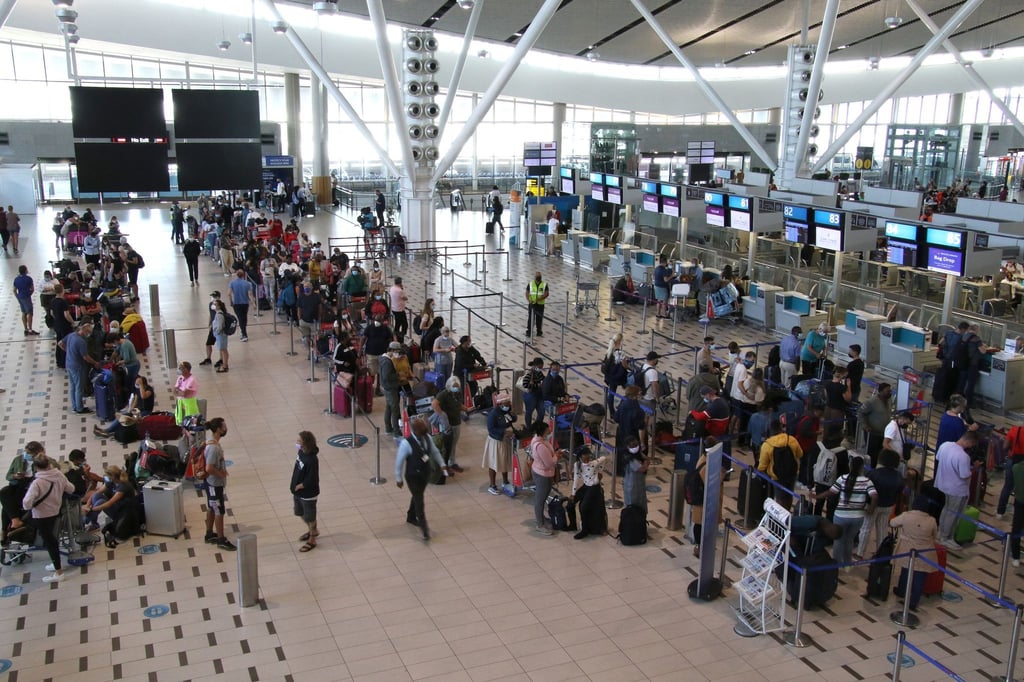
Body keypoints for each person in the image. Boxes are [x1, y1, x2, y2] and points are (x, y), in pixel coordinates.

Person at [22, 447, 74, 583]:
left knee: (50, 542)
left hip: (41, 515)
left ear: (36, 467)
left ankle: (59, 572)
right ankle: (55, 563)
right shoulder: (58, 475)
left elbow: (26, 503)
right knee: (52, 539)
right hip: (55, 511)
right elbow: (71, 488)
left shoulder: (37, 483)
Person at [812, 455, 876, 566]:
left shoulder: (843, 478)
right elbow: (875, 496)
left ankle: (836, 564)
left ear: (850, 466)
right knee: (849, 540)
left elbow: (831, 492)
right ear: (862, 468)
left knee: (838, 540)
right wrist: (871, 509)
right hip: (857, 517)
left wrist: (817, 497)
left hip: (841, 515)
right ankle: (847, 563)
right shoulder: (867, 481)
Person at [396, 417, 448, 541]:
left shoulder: (427, 438)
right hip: (412, 476)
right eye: (422, 427)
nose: (425, 427)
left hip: (425, 474)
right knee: (420, 500)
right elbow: (399, 461)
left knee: (417, 495)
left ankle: (410, 516)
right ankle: (424, 529)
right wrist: (398, 478)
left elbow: (435, 452)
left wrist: (442, 464)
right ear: (416, 430)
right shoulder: (406, 443)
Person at [891, 495, 938, 611]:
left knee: (905, 570)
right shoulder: (932, 520)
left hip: (907, 549)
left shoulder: (906, 516)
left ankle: (901, 591)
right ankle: (913, 602)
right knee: (920, 577)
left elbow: (892, 523)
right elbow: (935, 535)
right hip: (924, 552)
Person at [857, 449, 905, 559]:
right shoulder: (898, 476)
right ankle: (880, 554)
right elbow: (900, 492)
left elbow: (866, 489)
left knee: (866, 529)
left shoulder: (873, 473)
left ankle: (859, 553)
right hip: (888, 506)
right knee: (882, 530)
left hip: (872, 506)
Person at [935, 431, 979, 549]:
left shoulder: (944, 445)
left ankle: (941, 533)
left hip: (943, 484)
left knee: (946, 509)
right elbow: (964, 475)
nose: (970, 447)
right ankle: (946, 538)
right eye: (971, 444)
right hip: (957, 489)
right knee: (953, 514)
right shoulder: (963, 456)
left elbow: (938, 457)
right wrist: (973, 469)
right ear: (968, 441)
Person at [202, 418, 236, 551]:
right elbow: (209, 468)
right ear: (218, 430)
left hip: (213, 484)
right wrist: (220, 474)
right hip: (214, 485)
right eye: (224, 427)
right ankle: (221, 540)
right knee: (218, 511)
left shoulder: (213, 443)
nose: (225, 428)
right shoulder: (213, 448)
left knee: (212, 507)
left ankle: (209, 534)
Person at [758, 420, 803, 509]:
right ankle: (787, 512)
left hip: (777, 477)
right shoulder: (791, 439)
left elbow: (762, 466)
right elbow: (800, 454)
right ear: (781, 428)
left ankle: (779, 517)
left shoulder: (767, 445)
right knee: (789, 494)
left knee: (779, 497)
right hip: (792, 473)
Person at [58, 320, 100, 415]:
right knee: (79, 387)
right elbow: (85, 357)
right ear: (85, 331)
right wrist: (95, 363)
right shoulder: (81, 342)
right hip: (77, 366)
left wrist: (69, 352)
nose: (88, 335)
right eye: (88, 333)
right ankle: (80, 408)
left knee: (73, 386)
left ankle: (74, 406)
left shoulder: (71, 335)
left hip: (68, 364)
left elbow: (60, 343)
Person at [529, 420, 561, 535]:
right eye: (548, 428)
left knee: (542, 498)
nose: (550, 429)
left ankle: (541, 518)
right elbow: (549, 463)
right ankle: (540, 524)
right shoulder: (540, 446)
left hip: (542, 472)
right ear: (543, 431)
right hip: (542, 474)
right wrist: (556, 456)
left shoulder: (539, 439)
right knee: (540, 500)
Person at [291, 431, 321, 552]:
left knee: (310, 516)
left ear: (306, 443)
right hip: (298, 491)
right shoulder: (301, 452)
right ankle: (312, 530)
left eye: (299, 441)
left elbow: (313, 478)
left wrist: (301, 485)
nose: (297, 443)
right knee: (299, 512)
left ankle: (312, 538)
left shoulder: (312, 459)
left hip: (308, 493)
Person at [570, 446, 607, 539]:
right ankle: (572, 525)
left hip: (594, 487)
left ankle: (584, 530)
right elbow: (576, 479)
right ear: (580, 457)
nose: (586, 461)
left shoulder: (594, 463)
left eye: (588, 459)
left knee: (583, 507)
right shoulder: (577, 465)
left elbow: (604, 459)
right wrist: (573, 493)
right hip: (586, 486)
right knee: (570, 504)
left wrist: (600, 472)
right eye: (584, 459)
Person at [434, 376, 468, 472]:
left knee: (453, 444)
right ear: (449, 386)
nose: (456, 388)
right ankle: (445, 464)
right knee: (447, 445)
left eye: (457, 386)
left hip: (456, 422)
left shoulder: (457, 393)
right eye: (454, 386)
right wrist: (442, 415)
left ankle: (451, 463)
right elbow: (434, 404)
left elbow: (457, 404)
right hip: (448, 424)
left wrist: (464, 408)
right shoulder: (444, 394)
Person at [483, 394, 513, 495]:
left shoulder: (506, 412)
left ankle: (505, 481)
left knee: (504, 461)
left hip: (505, 441)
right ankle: (492, 485)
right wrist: (503, 432)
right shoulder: (493, 414)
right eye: (506, 404)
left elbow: (511, 419)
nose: (508, 405)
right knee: (493, 463)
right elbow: (491, 429)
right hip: (495, 441)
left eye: (509, 403)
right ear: (500, 404)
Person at [614, 386, 647, 476]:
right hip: (633, 436)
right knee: (633, 456)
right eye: (639, 393)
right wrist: (642, 443)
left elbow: (616, 418)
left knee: (622, 454)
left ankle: (621, 471)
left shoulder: (622, 403)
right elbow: (641, 428)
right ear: (634, 396)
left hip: (621, 433)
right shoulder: (639, 411)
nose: (640, 394)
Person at [859, 382, 892, 467]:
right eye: (887, 391)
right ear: (880, 391)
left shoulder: (889, 401)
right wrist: (865, 425)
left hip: (884, 434)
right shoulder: (871, 402)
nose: (889, 393)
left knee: (881, 454)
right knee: (872, 455)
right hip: (872, 434)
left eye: (890, 391)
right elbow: (861, 413)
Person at [998, 424, 1024, 520]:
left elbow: (1005, 447)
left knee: (1007, 487)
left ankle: (1000, 512)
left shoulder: (1015, 430)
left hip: (1013, 460)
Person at [379, 342, 403, 436]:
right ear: (392, 350)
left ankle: (388, 428)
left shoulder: (383, 359)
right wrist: (398, 375)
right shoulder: (387, 362)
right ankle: (396, 431)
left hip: (386, 387)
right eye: (397, 351)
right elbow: (386, 376)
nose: (397, 353)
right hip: (390, 387)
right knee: (395, 409)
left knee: (389, 408)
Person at [199, 291, 225, 368]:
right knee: (208, 343)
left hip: (219, 328)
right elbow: (211, 315)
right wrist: (209, 323)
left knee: (220, 345)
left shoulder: (220, 305)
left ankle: (221, 359)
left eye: (214, 296)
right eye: (212, 296)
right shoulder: (211, 304)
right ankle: (208, 358)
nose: (213, 298)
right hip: (213, 327)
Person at [228, 270, 255, 342]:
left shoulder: (232, 283)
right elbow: (250, 294)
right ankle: (244, 330)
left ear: (236, 275)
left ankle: (244, 334)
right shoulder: (247, 284)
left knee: (240, 317)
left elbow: (229, 293)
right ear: (243, 275)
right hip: (245, 303)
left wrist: (231, 301)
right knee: (244, 317)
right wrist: (253, 303)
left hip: (236, 303)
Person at [13, 265, 38, 336]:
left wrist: (18, 297)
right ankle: (30, 329)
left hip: (20, 297)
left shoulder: (16, 279)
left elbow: (14, 290)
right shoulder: (28, 279)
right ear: (26, 270)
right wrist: (29, 294)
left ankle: (25, 329)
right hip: (27, 297)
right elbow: (32, 289)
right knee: (30, 313)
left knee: (23, 312)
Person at [521, 357, 545, 426]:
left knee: (542, 412)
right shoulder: (529, 373)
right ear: (535, 365)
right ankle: (529, 428)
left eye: (541, 367)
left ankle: (536, 426)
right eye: (539, 367)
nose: (540, 369)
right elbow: (525, 384)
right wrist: (537, 385)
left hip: (539, 395)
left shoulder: (539, 372)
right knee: (529, 412)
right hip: (530, 396)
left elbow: (543, 379)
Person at [603, 351, 629, 415]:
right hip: (619, 377)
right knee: (630, 391)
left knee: (611, 394)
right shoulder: (620, 353)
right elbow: (625, 366)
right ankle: (621, 407)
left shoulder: (609, 353)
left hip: (610, 377)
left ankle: (612, 412)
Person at [525, 271, 549, 337]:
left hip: (540, 304)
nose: (538, 278)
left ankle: (539, 331)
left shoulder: (544, 284)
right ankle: (529, 331)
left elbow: (547, 294)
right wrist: (529, 300)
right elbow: (527, 292)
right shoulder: (530, 283)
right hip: (532, 304)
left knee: (539, 318)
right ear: (535, 277)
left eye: (539, 277)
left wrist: (540, 298)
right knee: (530, 318)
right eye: (537, 277)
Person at [210, 298, 230, 373]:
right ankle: (225, 364)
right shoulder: (218, 313)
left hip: (221, 335)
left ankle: (225, 365)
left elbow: (220, 326)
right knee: (223, 349)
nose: (213, 306)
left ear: (219, 306)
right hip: (221, 334)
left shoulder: (219, 315)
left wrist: (216, 332)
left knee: (223, 350)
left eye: (215, 305)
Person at [390, 277, 409, 342]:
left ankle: (396, 336)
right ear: (400, 282)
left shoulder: (392, 288)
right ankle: (401, 336)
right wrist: (402, 289)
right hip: (399, 309)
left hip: (394, 308)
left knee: (398, 323)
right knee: (404, 324)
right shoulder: (399, 290)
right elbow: (405, 298)